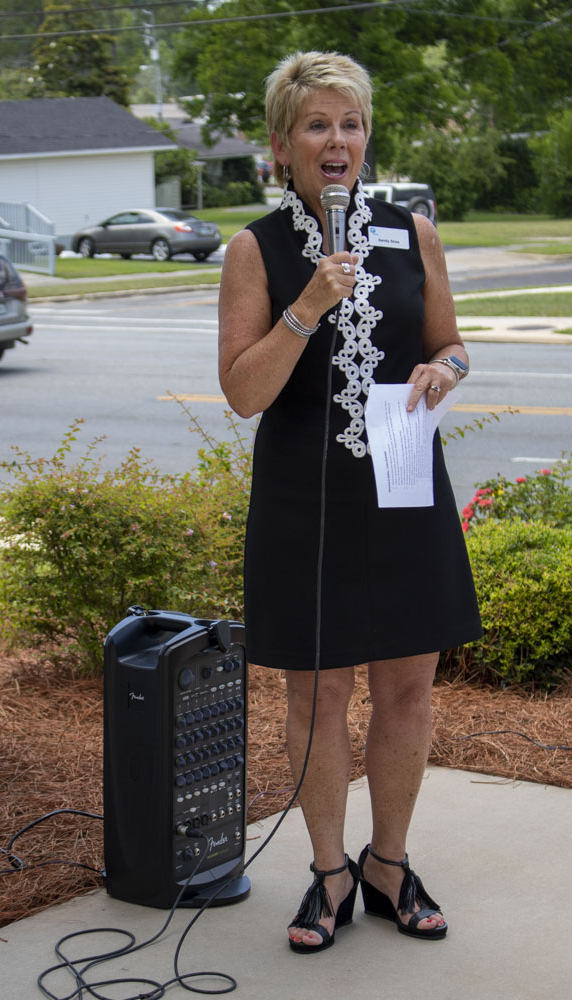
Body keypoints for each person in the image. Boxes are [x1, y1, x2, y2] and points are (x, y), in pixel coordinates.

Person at [218, 50, 482, 954]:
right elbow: (243, 394)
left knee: (408, 688)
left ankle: (388, 865)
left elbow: (452, 345)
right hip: (306, 496)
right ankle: (327, 873)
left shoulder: (413, 230)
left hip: (405, 479)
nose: (338, 141)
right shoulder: (256, 247)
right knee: (319, 694)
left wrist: (442, 371)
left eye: (350, 123)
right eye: (317, 125)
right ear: (281, 143)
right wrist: (305, 308)